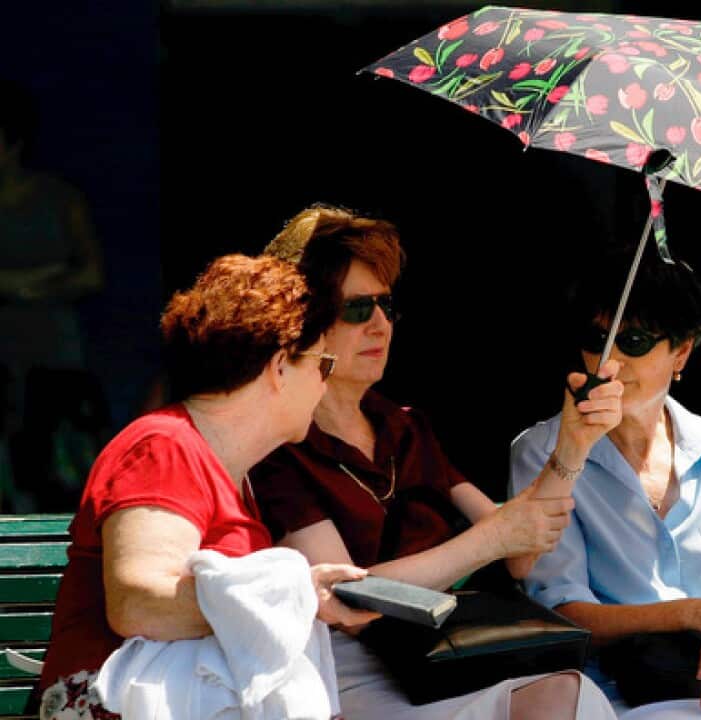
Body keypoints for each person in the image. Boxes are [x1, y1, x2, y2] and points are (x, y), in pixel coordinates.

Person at [250, 204, 624, 720]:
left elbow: (520, 550)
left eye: (387, 306)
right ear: (305, 320)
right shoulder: (281, 446)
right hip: (350, 671)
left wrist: (574, 446)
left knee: (577, 696)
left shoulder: (404, 425)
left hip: (447, 652)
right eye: (359, 309)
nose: (380, 324)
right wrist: (489, 541)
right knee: (569, 702)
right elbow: (348, 598)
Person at [36, 254, 378, 719]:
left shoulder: (228, 471)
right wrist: (297, 595)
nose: (325, 384)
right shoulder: (164, 447)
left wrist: (304, 598)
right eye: (323, 364)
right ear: (279, 367)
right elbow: (139, 604)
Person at [510, 248, 701, 719]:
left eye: (632, 341)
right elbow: (563, 611)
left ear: (681, 351)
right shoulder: (543, 451)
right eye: (597, 339)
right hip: (608, 692)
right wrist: (694, 613)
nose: (609, 361)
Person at [0, 79, 107, 512]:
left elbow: (90, 273)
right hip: (1, 355)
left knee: (53, 456)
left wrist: (25, 285)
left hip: (52, 351)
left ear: (14, 143)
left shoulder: (59, 198)